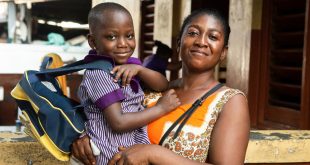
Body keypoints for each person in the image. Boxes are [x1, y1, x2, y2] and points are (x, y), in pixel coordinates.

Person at [72, 7, 250, 165]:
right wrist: (84, 139)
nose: (201, 42)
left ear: (223, 52)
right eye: (193, 33)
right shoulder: (153, 91)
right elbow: (103, 113)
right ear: (179, 44)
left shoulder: (230, 102)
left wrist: (154, 154)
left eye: (212, 37)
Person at [73, 3, 180, 165]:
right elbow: (118, 122)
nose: (123, 43)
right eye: (112, 37)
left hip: (128, 147)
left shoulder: (129, 65)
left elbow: (163, 85)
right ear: (93, 42)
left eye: (129, 36)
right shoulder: (99, 74)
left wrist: (140, 69)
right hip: (109, 152)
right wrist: (161, 108)